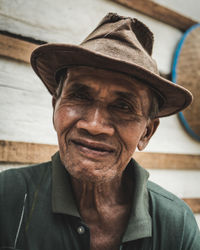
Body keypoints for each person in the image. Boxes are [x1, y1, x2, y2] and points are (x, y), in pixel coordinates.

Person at [0, 13, 199, 250]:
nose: (94, 125)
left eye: (123, 106)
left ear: (147, 132)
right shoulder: (7, 198)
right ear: (55, 107)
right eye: (79, 96)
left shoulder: (176, 225)